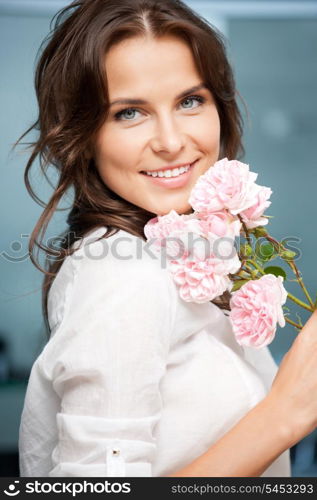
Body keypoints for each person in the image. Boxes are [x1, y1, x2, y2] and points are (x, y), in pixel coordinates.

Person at [17, 0, 317, 477]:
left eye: (189, 101)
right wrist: (285, 415)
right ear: (81, 134)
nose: (172, 140)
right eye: (129, 112)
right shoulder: (123, 273)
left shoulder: (173, 252)